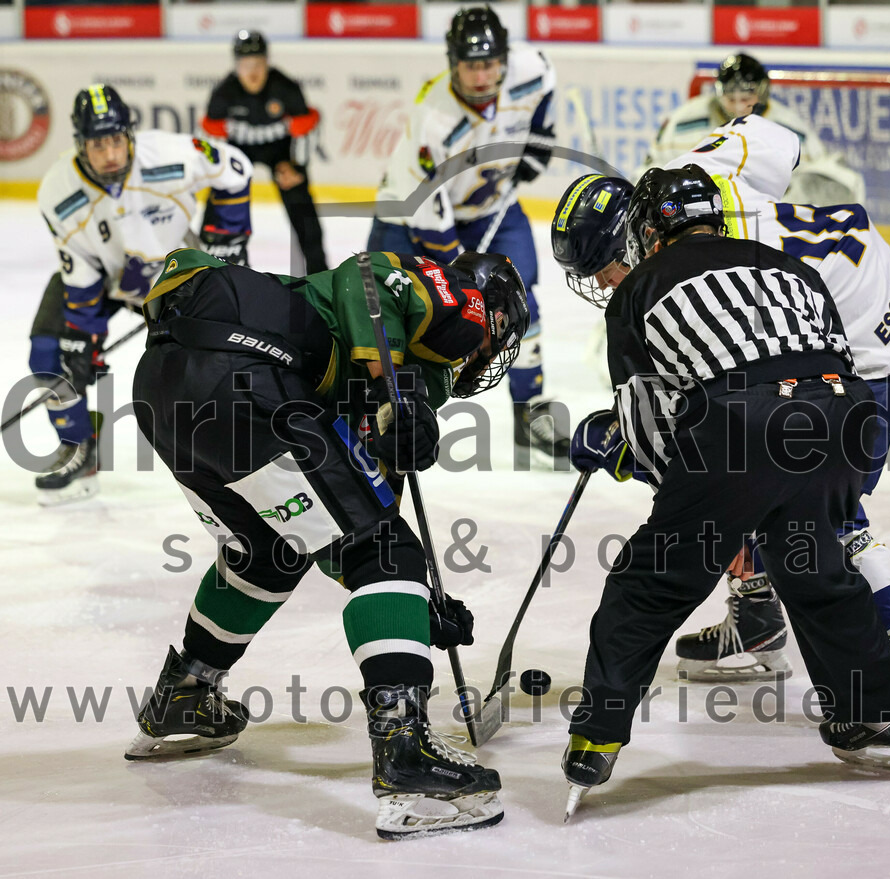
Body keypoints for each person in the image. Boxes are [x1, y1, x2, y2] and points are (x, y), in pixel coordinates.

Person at [551, 115, 890, 744]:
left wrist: (633, 454)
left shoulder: (674, 271)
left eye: (605, 267)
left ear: (640, 235)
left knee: (815, 507)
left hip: (859, 339)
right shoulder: (701, 183)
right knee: (746, 465)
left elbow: (685, 445)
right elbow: (778, 139)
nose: (604, 284)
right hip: (845, 304)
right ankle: (756, 615)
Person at [126, 245, 530, 839]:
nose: (491, 349)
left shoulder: (400, 369)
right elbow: (364, 276)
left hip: (165, 393)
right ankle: (406, 756)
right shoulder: (448, 306)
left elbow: (343, 522)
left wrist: (413, 606)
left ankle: (184, 695)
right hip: (246, 375)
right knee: (387, 553)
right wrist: (404, 395)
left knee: (268, 552)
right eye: (500, 330)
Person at [31, 83, 252, 506]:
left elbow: (236, 167)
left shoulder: (171, 154)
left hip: (175, 275)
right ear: (79, 145)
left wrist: (226, 236)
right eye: (98, 144)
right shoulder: (57, 192)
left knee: (216, 363)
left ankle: (238, 453)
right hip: (104, 273)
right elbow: (79, 268)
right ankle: (79, 447)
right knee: (50, 355)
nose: (111, 154)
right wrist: (83, 336)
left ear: (130, 135)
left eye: (116, 140)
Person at [368, 6, 569, 470]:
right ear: (451, 63)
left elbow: (545, 94)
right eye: (470, 66)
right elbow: (430, 223)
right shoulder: (434, 122)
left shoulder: (531, 67)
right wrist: (464, 282)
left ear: (504, 58)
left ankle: (530, 412)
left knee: (521, 303)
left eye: (490, 64)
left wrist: (538, 143)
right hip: (410, 215)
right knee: (386, 316)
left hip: (488, 206)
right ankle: (377, 415)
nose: (482, 77)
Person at [637, 53, 864, 205]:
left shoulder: (789, 128)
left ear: (763, 92)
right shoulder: (684, 120)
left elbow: (823, 179)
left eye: (745, 97)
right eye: (731, 98)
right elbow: (651, 169)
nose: (738, 106)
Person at [201, 30, 327, 274]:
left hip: (281, 152)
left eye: (258, 63)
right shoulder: (223, 94)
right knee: (218, 209)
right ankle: (209, 273)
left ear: (267, 62)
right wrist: (220, 174)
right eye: (245, 64)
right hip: (238, 152)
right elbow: (212, 141)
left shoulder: (286, 88)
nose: (252, 72)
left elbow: (307, 129)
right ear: (236, 66)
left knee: (303, 210)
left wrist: (297, 167)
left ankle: (320, 275)